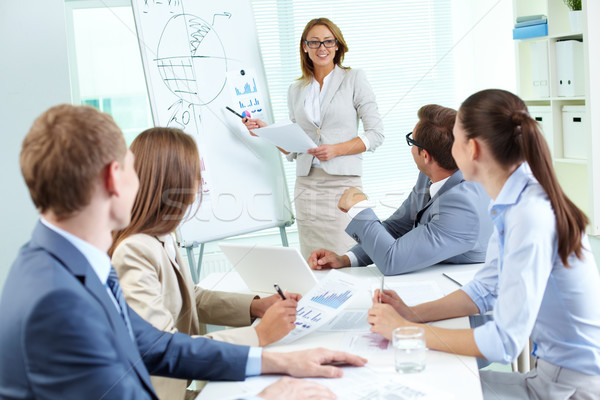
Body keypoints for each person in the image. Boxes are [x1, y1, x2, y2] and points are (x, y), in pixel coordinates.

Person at [0, 104, 367, 400]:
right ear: (114, 178)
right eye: (132, 168)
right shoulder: (60, 302)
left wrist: (278, 363)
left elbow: (159, 349)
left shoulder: (67, 263)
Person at [368, 90, 600, 399]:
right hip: (550, 376)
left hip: (568, 390)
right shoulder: (516, 197)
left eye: (454, 139)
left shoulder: (529, 215)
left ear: (472, 148)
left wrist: (406, 332)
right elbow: (487, 288)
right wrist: (412, 314)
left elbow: (503, 343)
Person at [110, 127, 301, 399]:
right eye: (195, 173)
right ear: (172, 183)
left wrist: (255, 305)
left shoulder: (162, 234)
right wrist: (259, 335)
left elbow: (190, 297)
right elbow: (163, 348)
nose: (201, 183)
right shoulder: (134, 251)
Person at [243, 17, 384, 259]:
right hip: (306, 186)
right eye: (315, 42)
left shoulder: (354, 79)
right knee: (313, 258)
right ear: (305, 47)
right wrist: (266, 131)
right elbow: (293, 149)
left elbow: (376, 134)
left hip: (343, 184)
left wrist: (336, 150)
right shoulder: (296, 90)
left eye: (328, 42)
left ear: (337, 46)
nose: (322, 48)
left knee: (345, 254)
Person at [308, 104, 493, 276]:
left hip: (465, 283)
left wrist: (359, 209)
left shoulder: (463, 204)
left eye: (411, 141)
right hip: (436, 274)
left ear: (425, 155)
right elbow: (398, 227)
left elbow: (392, 260)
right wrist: (346, 259)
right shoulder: (430, 176)